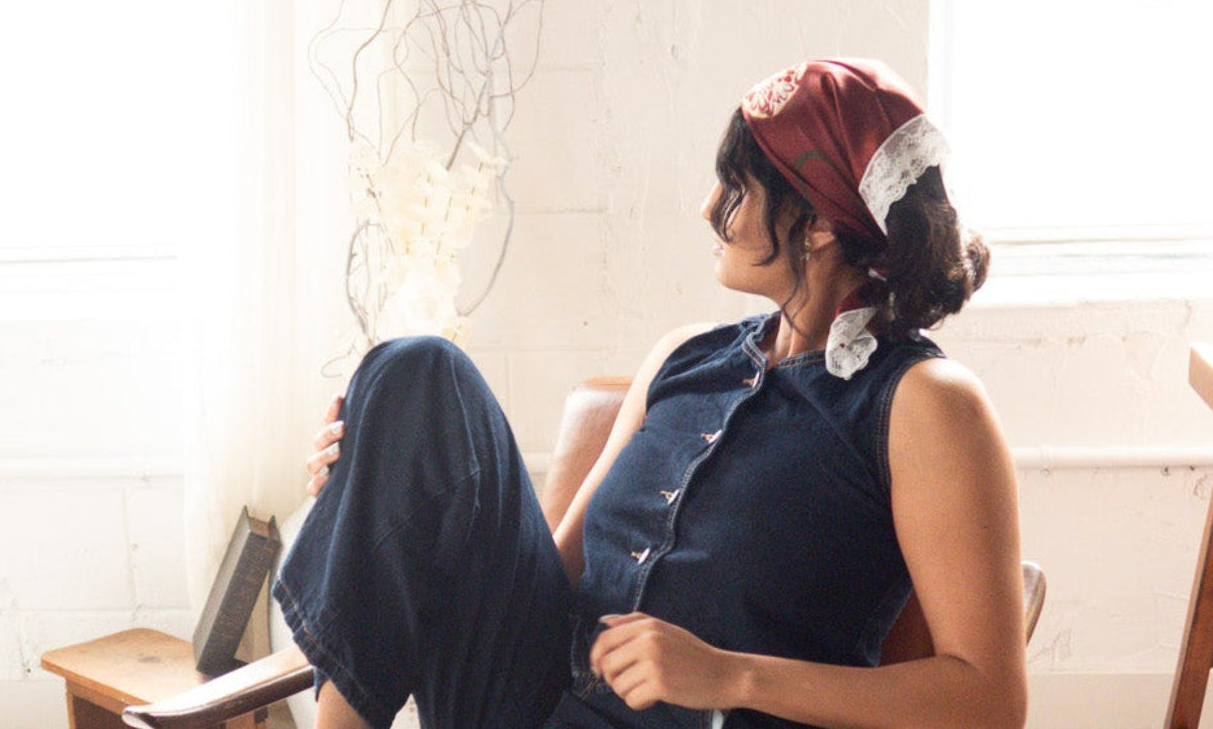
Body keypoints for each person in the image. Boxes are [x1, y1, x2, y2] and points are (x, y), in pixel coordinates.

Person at [274, 58, 1026, 729]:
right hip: (532, 702)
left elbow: (989, 702)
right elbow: (546, 580)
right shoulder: (681, 357)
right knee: (416, 371)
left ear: (821, 225)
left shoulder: (926, 404)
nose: (708, 209)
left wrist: (730, 674)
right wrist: (383, 486)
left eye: (736, 188)